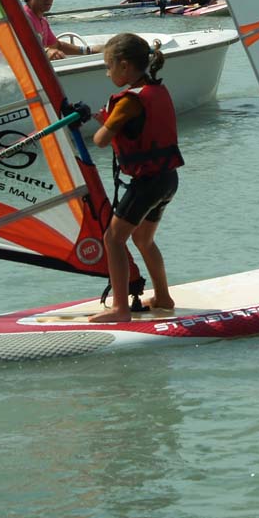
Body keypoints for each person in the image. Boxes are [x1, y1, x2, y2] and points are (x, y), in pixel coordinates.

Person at [88, 34, 183, 322]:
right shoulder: (155, 90)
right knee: (143, 238)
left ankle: (120, 309)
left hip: (147, 184)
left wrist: (103, 124)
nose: (107, 73)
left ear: (124, 66)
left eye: (108, 66)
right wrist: (108, 120)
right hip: (168, 179)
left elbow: (101, 140)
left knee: (113, 239)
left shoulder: (129, 101)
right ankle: (163, 297)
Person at [19, 0, 102, 60]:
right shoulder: (22, 19)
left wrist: (89, 50)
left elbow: (57, 45)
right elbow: (21, 47)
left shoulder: (43, 21)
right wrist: (47, 51)